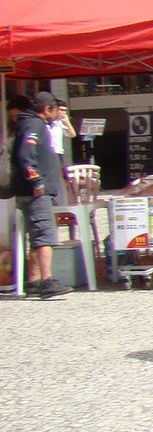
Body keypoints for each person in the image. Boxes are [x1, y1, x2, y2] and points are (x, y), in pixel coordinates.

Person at [12, 92, 73, 299]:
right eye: (56, 109)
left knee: (38, 236)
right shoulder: (34, 125)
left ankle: (35, 281)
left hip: (35, 190)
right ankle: (47, 282)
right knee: (45, 236)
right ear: (47, 109)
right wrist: (36, 181)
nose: (58, 114)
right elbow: (25, 156)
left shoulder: (30, 125)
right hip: (36, 191)